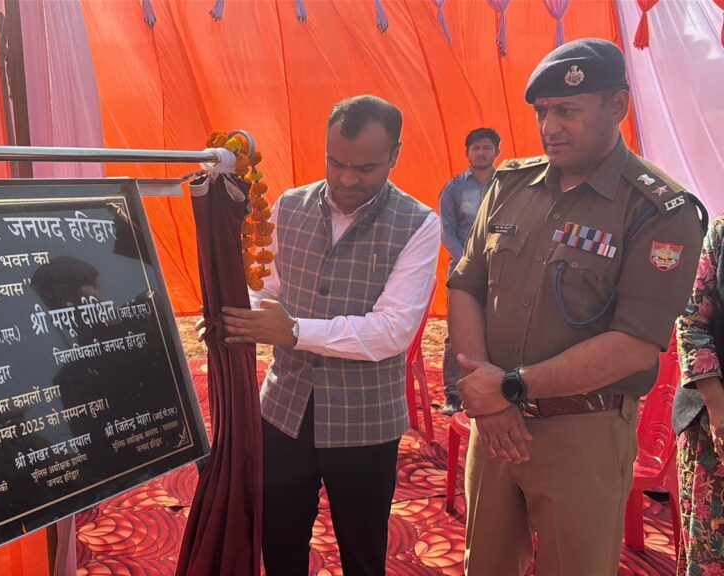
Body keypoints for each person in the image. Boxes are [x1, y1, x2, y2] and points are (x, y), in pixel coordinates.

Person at [447, 38, 704, 574]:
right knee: (484, 566)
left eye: (567, 110)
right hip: (494, 426)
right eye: (543, 112)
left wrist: (509, 387)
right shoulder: (511, 185)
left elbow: (635, 344)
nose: (550, 127)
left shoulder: (658, 210)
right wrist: (489, 395)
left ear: (617, 105)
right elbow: (466, 284)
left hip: (583, 434)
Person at [219, 95, 440, 575]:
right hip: (284, 409)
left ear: (395, 155)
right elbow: (266, 288)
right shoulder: (289, 206)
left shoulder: (418, 224)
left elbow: (391, 331)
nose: (347, 179)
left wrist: (295, 330)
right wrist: (240, 317)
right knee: (279, 541)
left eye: (365, 168)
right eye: (336, 162)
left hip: (365, 421)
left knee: (362, 552)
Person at [438, 128, 501, 415]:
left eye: (487, 148)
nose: (481, 153)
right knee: (457, 333)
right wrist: (468, 261)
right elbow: (447, 231)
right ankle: (453, 394)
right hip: (463, 270)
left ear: (497, 152)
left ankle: (495, 390)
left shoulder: (508, 185)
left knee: (499, 328)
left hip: (500, 270)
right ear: (467, 153)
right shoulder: (453, 189)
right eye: (476, 148)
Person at [674, 215, 724, 575]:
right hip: (713, 424)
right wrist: (718, 411)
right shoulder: (721, 233)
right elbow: (691, 322)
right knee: (710, 556)